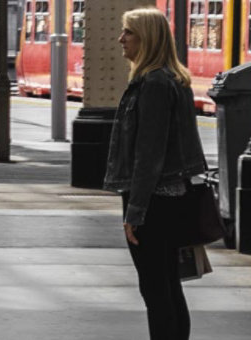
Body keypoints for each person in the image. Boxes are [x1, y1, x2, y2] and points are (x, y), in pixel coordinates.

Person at [102, 7, 207, 340]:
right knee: (168, 284)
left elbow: (149, 154)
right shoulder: (172, 79)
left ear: (146, 38)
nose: (121, 38)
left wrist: (135, 210)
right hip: (171, 196)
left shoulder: (154, 84)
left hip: (153, 200)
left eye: (128, 32)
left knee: (155, 288)